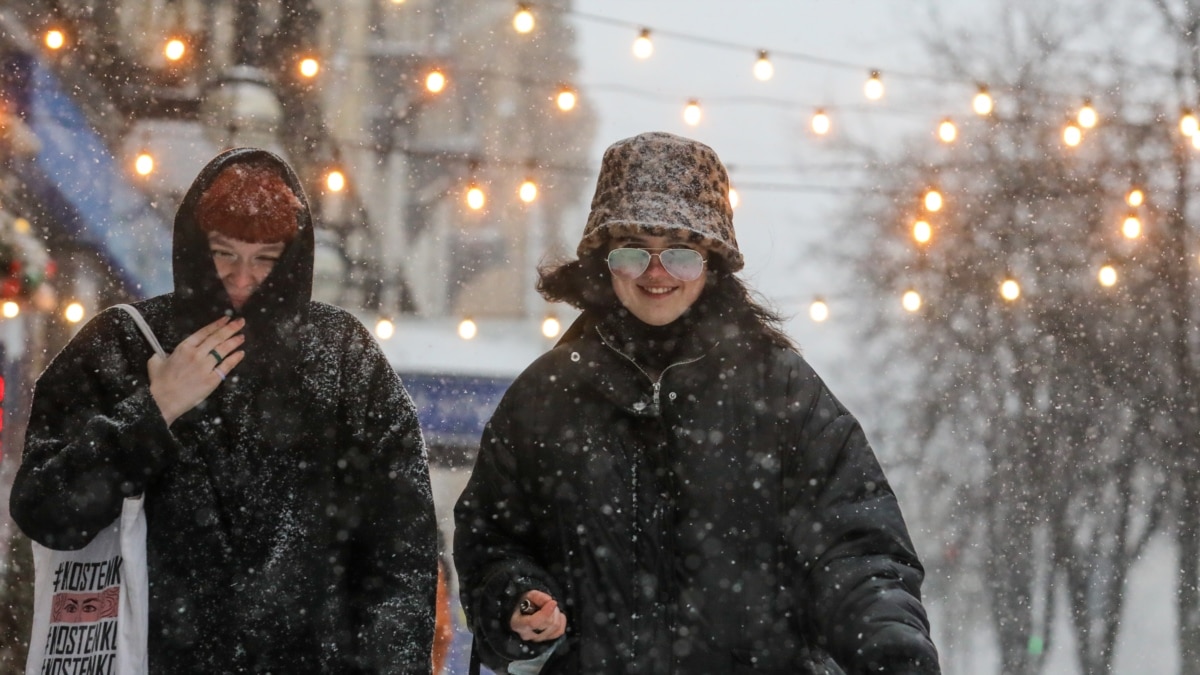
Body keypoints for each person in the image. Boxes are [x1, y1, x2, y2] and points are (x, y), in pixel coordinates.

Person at [453, 132, 941, 674]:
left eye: (681, 254)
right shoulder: (544, 398)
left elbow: (857, 549)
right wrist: (516, 602)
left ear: (712, 263)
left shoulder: (782, 393)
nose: (656, 273)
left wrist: (889, 644)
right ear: (605, 260)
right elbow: (490, 542)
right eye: (634, 251)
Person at [11, 147, 438, 672]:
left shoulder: (344, 355)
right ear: (194, 248)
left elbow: (401, 548)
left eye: (265, 258)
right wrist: (156, 407)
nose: (241, 278)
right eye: (223, 253)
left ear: (292, 257)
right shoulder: (122, 344)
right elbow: (45, 511)